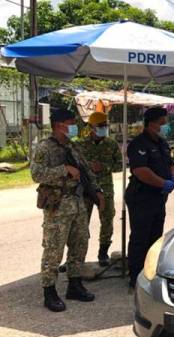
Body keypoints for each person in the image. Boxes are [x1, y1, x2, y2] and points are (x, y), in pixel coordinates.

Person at [31, 108, 105, 312]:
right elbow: (36, 174)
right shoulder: (44, 147)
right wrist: (63, 170)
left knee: (80, 244)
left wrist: (97, 190)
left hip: (78, 203)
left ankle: (74, 285)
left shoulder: (73, 146)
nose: (73, 126)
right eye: (70, 122)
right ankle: (49, 291)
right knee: (54, 249)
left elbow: (86, 170)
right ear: (58, 125)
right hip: (58, 206)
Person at [125, 107, 174, 288]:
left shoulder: (162, 143)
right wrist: (163, 183)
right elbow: (141, 171)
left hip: (158, 197)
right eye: (163, 122)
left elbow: (170, 163)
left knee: (155, 237)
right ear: (152, 123)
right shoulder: (139, 144)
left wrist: (173, 178)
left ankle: (150, 272)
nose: (166, 126)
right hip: (142, 197)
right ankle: (135, 275)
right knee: (140, 236)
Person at [78, 112, 122, 266]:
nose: (104, 128)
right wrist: (89, 168)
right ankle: (76, 257)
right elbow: (76, 167)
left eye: (105, 125)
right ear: (91, 127)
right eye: (100, 126)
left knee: (107, 221)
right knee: (81, 224)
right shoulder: (80, 145)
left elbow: (120, 165)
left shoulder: (111, 144)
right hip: (86, 190)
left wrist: (103, 167)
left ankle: (103, 253)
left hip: (105, 189)